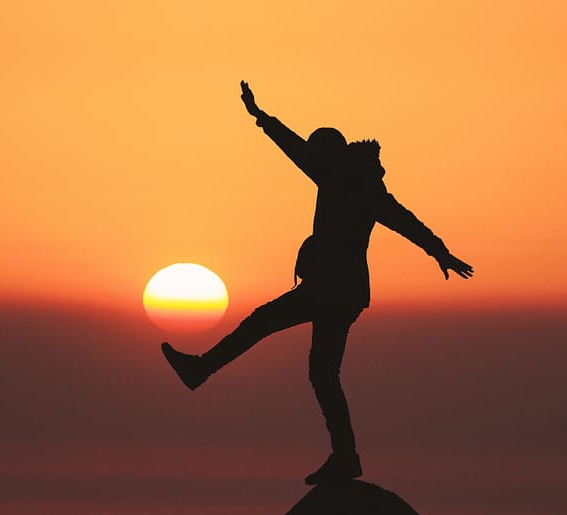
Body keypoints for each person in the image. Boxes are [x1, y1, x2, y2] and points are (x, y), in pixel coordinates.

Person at [162, 81, 473, 485]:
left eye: (316, 157)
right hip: (341, 294)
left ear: (328, 156)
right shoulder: (349, 179)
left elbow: (405, 221)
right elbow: (297, 151)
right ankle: (345, 457)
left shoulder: (352, 184)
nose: (312, 164)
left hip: (332, 290)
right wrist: (261, 118)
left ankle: (201, 370)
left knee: (264, 324)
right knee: (322, 373)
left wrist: (439, 251)